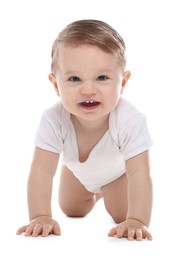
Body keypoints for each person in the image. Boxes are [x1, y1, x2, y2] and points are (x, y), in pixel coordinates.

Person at [16, 19, 153, 241]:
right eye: (74, 79)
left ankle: (106, 189)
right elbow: (41, 170)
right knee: (72, 209)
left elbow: (140, 173)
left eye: (102, 77)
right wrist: (40, 216)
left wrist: (137, 220)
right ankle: (95, 193)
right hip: (76, 173)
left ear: (123, 81)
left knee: (121, 215)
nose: (88, 89)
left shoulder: (130, 120)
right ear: (55, 84)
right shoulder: (53, 118)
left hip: (117, 175)